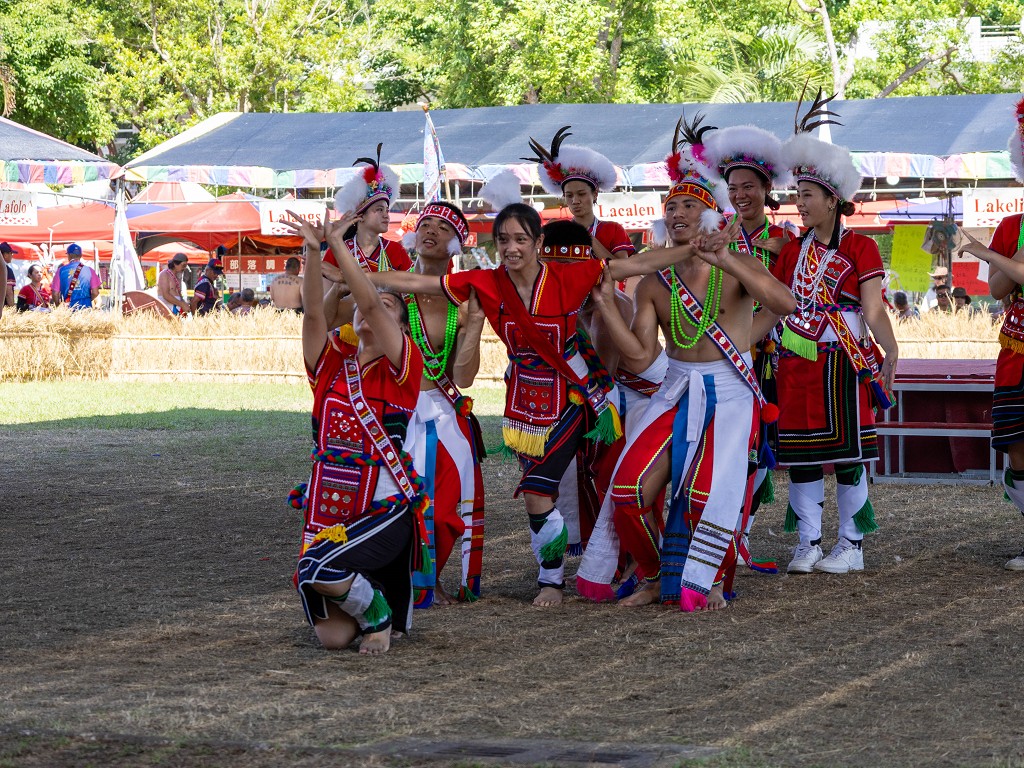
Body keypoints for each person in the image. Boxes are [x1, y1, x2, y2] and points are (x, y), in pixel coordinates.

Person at [364, 199, 703, 606]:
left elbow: (636, 264)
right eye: (503, 240)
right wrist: (351, 273)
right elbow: (415, 283)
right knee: (539, 495)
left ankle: (556, 581)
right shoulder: (487, 282)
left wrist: (694, 248)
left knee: (541, 489)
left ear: (538, 242)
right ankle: (559, 576)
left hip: (572, 397)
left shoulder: (568, 276)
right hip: (522, 407)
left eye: (521, 239)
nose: (511, 248)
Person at [601, 119, 795, 612]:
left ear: (711, 214)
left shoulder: (739, 264)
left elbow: (784, 303)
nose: (677, 212)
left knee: (708, 495)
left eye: (689, 205)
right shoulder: (654, 281)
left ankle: (708, 581)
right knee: (627, 491)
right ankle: (652, 577)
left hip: (729, 391)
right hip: (675, 387)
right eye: (671, 206)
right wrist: (605, 304)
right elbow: (641, 355)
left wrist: (727, 261)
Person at [756, 95, 898, 576]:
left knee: (848, 456)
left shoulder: (861, 247)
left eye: (807, 195)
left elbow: (873, 309)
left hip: (843, 361)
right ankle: (808, 543)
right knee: (802, 456)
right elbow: (774, 305)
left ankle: (852, 545)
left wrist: (891, 349)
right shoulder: (790, 252)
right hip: (795, 361)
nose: (799, 203)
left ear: (833, 199)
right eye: (797, 194)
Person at [285, 211, 426, 655]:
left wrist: (339, 245)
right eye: (368, 304)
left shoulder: (403, 368)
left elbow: (369, 304)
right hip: (330, 510)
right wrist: (312, 252)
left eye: (388, 307)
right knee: (333, 639)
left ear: (401, 328)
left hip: (383, 509)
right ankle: (367, 595)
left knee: (316, 568)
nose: (372, 309)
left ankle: (377, 612)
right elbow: (313, 315)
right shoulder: (331, 365)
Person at [378, 200, 486, 608]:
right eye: (426, 224)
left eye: (443, 227)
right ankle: (392, 579)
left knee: (443, 512)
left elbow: (463, 377)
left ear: (456, 243)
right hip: (395, 410)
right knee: (391, 502)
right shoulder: (391, 290)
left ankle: (430, 579)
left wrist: (474, 325)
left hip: (444, 411)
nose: (432, 231)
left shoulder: (462, 300)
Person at [704, 123, 795, 570]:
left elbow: (789, 300)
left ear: (766, 189)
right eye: (733, 187)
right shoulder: (715, 235)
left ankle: (741, 531)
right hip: (719, 354)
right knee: (720, 448)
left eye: (749, 187)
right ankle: (717, 529)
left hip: (766, 358)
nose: (740, 195)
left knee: (758, 448)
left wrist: (780, 254)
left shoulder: (787, 239)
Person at [956, 95, 1024, 569]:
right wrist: (1009, 253)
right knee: (1017, 447)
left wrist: (987, 253)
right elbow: (1000, 288)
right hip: (1017, 348)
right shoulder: (1012, 225)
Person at [324, 144, 412, 328]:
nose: (386, 215)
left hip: (386, 335)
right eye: (379, 210)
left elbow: (409, 298)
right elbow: (323, 306)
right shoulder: (337, 251)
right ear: (360, 216)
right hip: (343, 337)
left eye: (387, 210)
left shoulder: (395, 250)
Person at [524, 126, 636, 264]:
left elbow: (623, 269)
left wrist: (586, 237)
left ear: (595, 193)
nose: (575, 201)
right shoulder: (558, 229)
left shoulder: (613, 230)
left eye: (581, 194)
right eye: (569, 195)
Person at [51, 244, 100, 310]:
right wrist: (87, 300)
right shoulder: (90, 270)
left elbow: (55, 293)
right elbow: (95, 292)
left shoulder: (61, 271)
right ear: (81, 255)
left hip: (68, 308)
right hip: (86, 308)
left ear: (69, 255)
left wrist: (58, 306)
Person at [1, 242, 16, 307]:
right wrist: (12, 309)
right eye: (11, 253)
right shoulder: (6, 270)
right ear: (5, 255)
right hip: (3, 308)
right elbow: (8, 293)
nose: (12, 256)